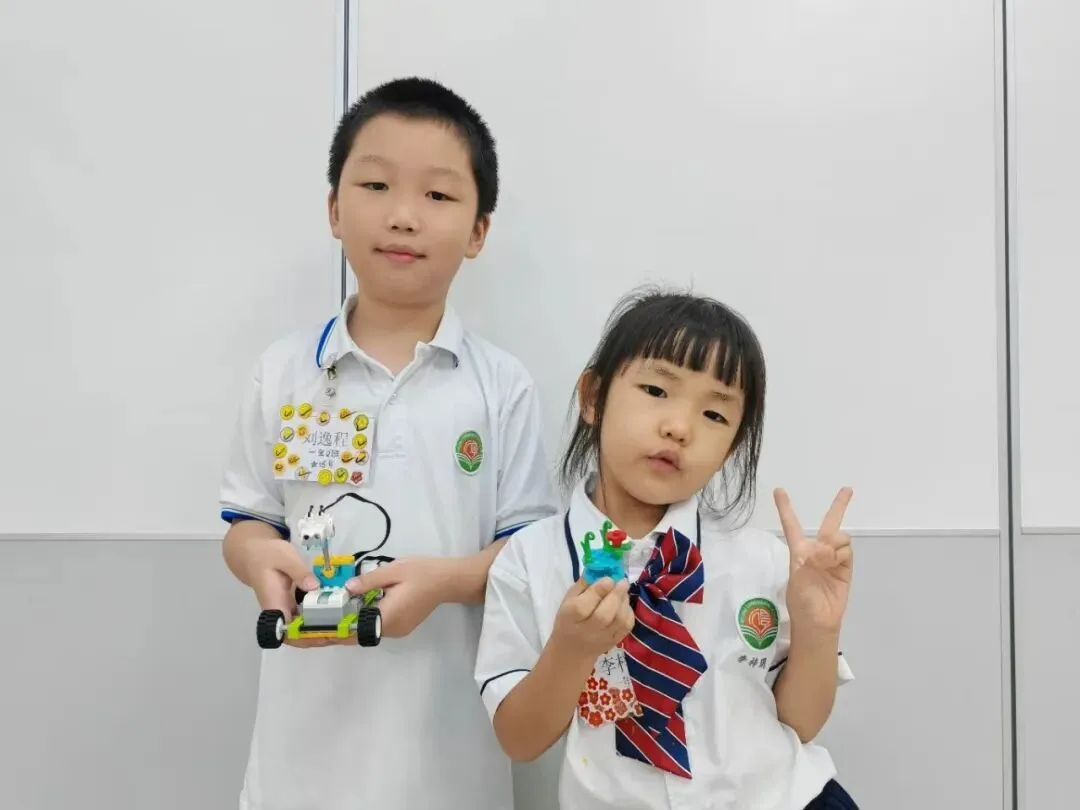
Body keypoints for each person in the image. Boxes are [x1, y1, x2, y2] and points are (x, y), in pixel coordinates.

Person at [219, 76, 557, 810]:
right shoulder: (283, 370)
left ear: (478, 231)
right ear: (335, 210)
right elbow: (247, 523)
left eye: (438, 194)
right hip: (297, 767)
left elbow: (527, 552)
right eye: (375, 185)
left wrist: (443, 582)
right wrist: (258, 561)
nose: (403, 215)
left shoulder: (501, 385)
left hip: (451, 765)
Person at [475, 288, 859, 810]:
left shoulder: (762, 561)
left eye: (715, 415)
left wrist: (819, 632)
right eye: (656, 390)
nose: (679, 428)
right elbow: (520, 741)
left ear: (730, 449)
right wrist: (571, 649)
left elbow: (801, 724)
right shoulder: (527, 561)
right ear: (593, 397)